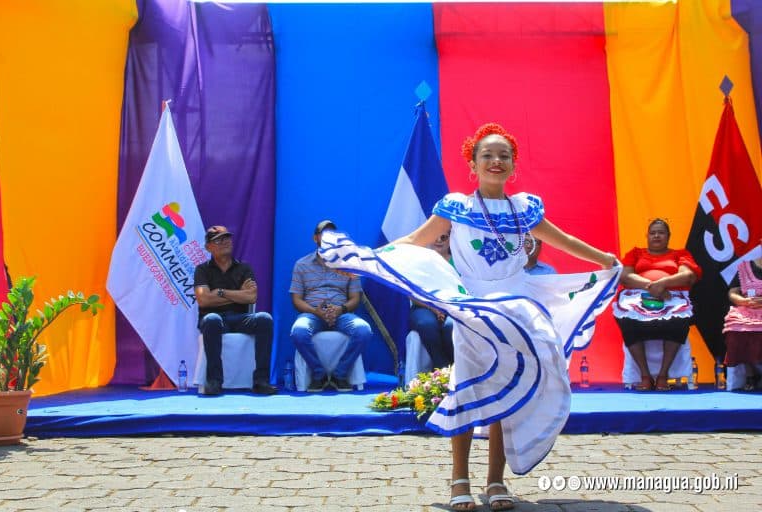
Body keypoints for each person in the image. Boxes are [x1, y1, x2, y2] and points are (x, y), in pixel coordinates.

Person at [317, 123, 619, 511]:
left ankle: (496, 481)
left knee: (507, 393)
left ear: (514, 166)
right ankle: (459, 477)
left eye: (504, 155)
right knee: (468, 389)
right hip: (472, 310)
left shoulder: (525, 209)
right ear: (472, 164)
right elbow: (413, 242)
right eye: (487, 155)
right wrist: (366, 262)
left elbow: (566, 241)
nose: (496, 161)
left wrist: (603, 259)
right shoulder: (457, 207)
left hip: (516, 308)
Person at [613, 218, 701, 392]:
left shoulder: (680, 254)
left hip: (672, 298)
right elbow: (624, 277)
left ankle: (663, 375)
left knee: (679, 322)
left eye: (661, 232)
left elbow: (688, 276)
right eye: (652, 233)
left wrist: (663, 284)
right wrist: (652, 286)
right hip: (639, 297)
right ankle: (645, 375)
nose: (656, 236)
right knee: (626, 320)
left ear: (668, 236)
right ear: (647, 236)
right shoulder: (636, 253)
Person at [290, 220, 372, 392]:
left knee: (363, 330)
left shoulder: (348, 264)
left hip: (341, 313)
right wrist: (315, 311)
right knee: (299, 331)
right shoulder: (302, 264)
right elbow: (296, 300)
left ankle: (339, 375)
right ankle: (318, 374)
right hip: (313, 314)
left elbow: (355, 298)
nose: (328, 237)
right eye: (323, 234)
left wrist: (340, 309)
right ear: (315, 238)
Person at [194, 225, 277, 396]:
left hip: (240, 318)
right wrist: (238, 294)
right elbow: (203, 300)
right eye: (218, 240)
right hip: (215, 319)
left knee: (264, 318)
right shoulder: (202, 270)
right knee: (212, 319)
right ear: (208, 247)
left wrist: (220, 292)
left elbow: (251, 297)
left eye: (227, 238)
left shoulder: (244, 268)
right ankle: (214, 381)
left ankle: (261, 381)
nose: (225, 242)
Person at [409, 230, 455, 370]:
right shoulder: (420, 261)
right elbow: (412, 294)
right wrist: (433, 308)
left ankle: (455, 369)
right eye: (435, 236)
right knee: (426, 324)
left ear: (451, 239)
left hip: (453, 307)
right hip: (423, 306)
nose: (438, 240)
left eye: (443, 237)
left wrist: (446, 308)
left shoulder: (460, 262)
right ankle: (441, 369)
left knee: (450, 327)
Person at [723, 242, 762, 391]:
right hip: (747, 310)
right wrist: (742, 301)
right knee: (737, 329)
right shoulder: (745, 267)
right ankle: (751, 375)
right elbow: (732, 292)